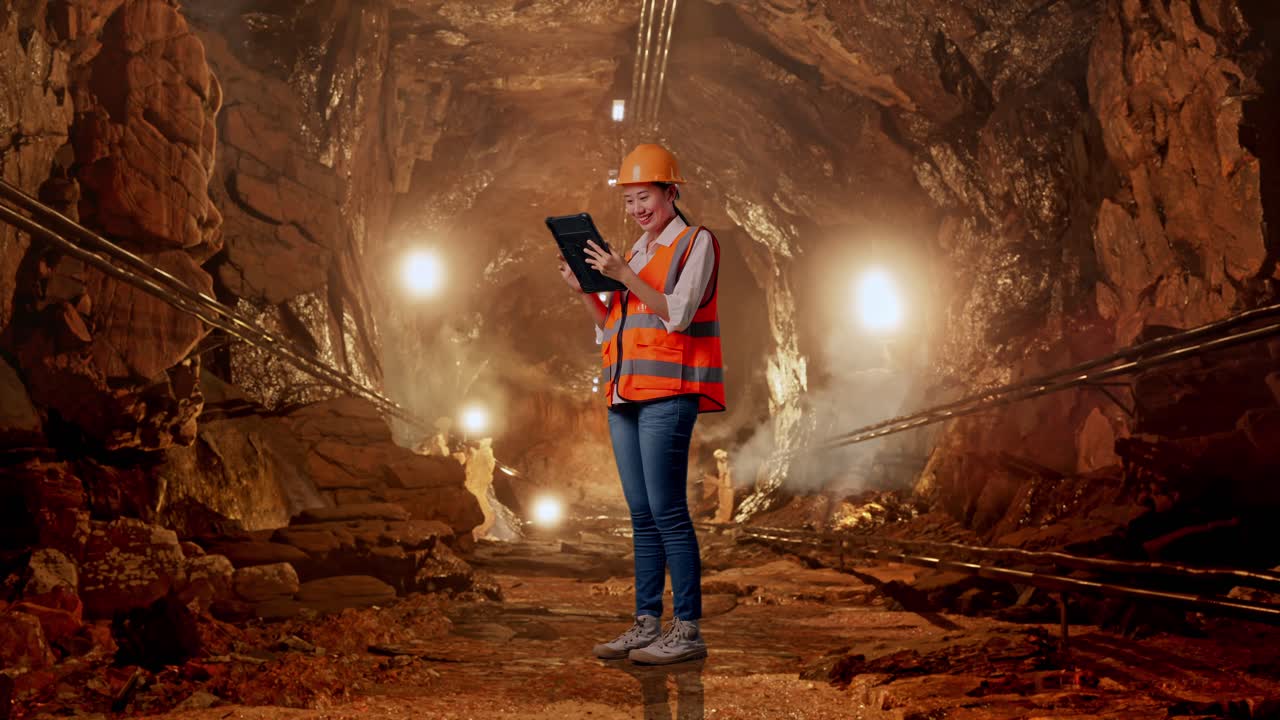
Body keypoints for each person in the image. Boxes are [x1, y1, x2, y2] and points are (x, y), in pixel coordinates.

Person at [556, 143, 725, 665]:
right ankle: (647, 622)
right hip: (625, 395)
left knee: (669, 511)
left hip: (669, 393)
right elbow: (614, 325)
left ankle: (687, 629)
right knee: (641, 514)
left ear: (671, 191)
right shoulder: (635, 252)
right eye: (629, 201)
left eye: (644, 196)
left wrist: (622, 275)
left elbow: (677, 314)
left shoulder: (696, 242)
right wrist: (585, 289)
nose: (637, 210)